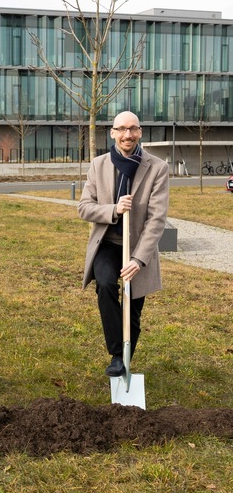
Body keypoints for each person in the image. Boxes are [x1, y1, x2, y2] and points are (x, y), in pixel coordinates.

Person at [78, 110, 169, 377]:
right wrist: (114, 209)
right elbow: (84, 208)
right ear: (113, 133)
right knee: (105, 284)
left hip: (139, 247)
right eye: (122, 129)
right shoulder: (99, 165)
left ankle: (123, 356)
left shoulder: (157, 168)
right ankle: (117, 353)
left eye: (133, 129)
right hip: (108, 242)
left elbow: (157, 219)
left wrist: (138, 260)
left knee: (133, 305)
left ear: (140, 132)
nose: (127, 135)